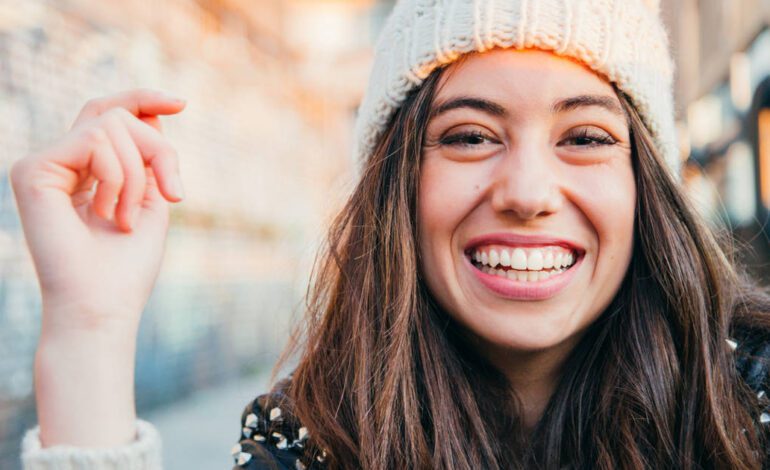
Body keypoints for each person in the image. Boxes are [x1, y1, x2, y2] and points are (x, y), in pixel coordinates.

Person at [12, 0, 770, 468]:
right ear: (396, 186)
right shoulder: (307, 443)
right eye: (470, 136)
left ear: (647, 186)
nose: (529, 194)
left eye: (587, 137)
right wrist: (90, 330)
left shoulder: (753, 398)